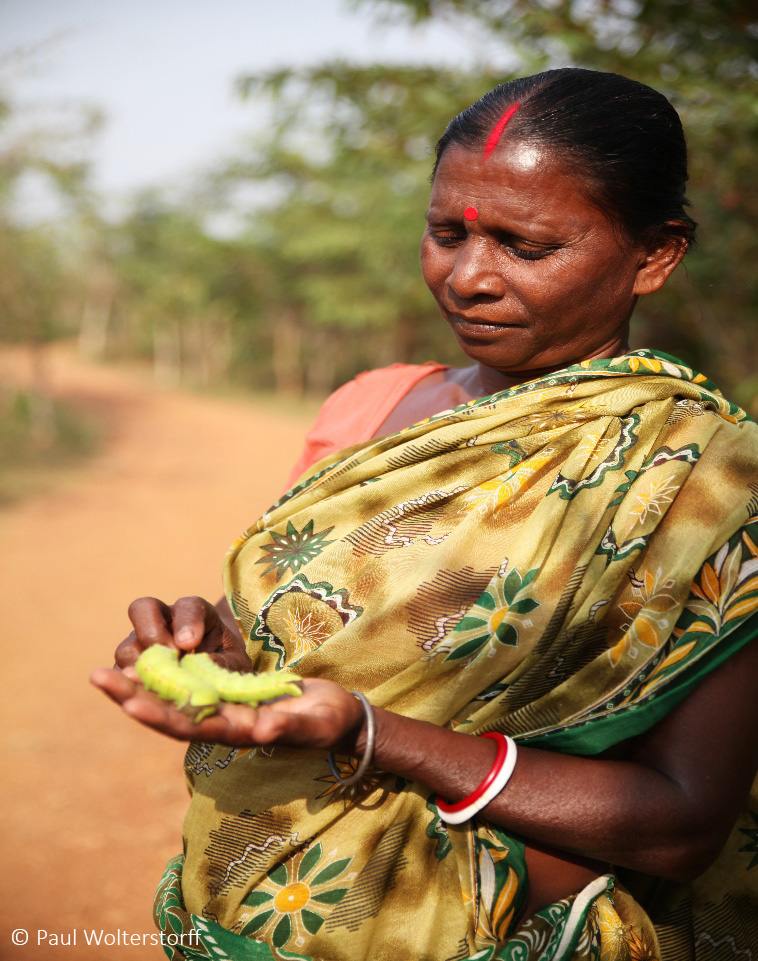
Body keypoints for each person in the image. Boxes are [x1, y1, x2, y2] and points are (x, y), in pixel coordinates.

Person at [92, 67, 758, 961]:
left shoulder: (709, 481)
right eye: (447, 233)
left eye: (526, 246)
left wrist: (371, 734)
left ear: (656, 255)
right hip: (242, 914)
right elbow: (320, 631)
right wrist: (219, 646)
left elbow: (680, 822)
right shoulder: (373, 409)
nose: (468, 276)